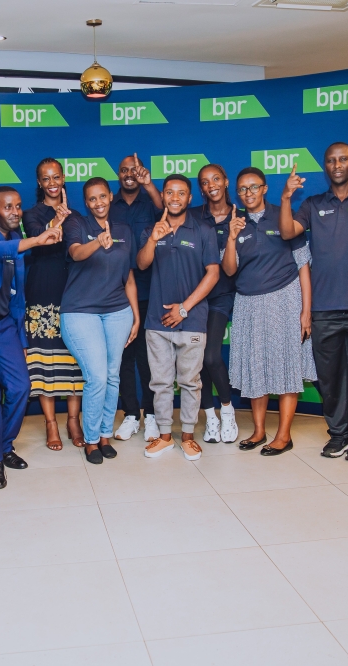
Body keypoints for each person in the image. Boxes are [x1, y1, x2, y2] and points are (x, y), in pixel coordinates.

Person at [278, 144, 348, 463]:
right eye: (331, 161)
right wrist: (286, 197)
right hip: (324, 308)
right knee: (328, 376)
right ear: (325, 167)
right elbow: (288, 231)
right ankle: (339, 434)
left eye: (343, 159)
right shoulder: (314, 204)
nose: (337, 164)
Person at [0, 186, 63, 489]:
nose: (15, 212)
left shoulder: (15, 239)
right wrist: (34, 239)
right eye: (7, 206)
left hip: (6, 327)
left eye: (18, 206)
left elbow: (18, 297)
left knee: (22, 387)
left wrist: (21, 342)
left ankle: (3, 445)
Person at [223, 167, 316, 456]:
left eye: (254, 187)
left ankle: (284, 435)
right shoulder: (235, 224)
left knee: (287, 367)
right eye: (242, 189)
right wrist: (230, 237)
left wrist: (306, 311)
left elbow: (303, 265)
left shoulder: (283, 215)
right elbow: (228, 270)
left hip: (285, 300)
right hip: (248, 302)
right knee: (254, 369)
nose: (248, 193)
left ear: (265, 189)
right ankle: (260, 431)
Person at [137, 175, 219, 461]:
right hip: (157, 323)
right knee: (159, 382)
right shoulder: (153, 228)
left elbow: (214, 273)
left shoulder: (204, 230)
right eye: (169, 192)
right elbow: (142, 264)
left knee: (189, 381)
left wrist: (183, 308)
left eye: (181, 193)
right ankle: (163, 436)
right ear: (163, 195)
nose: (174, 197)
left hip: (192, 319)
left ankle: (187, 436)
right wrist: (153, 239)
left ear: (189, 198)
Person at [61, 177, 140, 464]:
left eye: (102, 196)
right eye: (92, 199)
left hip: (118, 311)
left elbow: (129, 276)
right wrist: (96, 241)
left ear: (110, 196)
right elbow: (76, 252)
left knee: (113, 375)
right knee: (97, 377)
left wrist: (135, 315)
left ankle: (105, 434)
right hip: (80, 312)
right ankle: (91, 439)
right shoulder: (76, 224)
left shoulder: (124, 230)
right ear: (86, 202)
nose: (98, 202)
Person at [23, 158, 84, 450]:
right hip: (41, 292)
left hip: (72, 295)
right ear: (39, 183)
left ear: (63, 178)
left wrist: (67, 217)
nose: (52, 183)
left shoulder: (77, 216)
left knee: (74, 361)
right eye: (45, 178)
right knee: (45, 363)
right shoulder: (31, 214)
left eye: (56, 177)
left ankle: (73, 419)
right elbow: (38, 238)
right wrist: (57, 219)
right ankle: (50, 423)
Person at [110, 154, 164, 443]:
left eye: (134, 170)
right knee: (123, 357)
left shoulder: (150, 202)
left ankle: (152, 415)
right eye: (123, 170)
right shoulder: (110, 204)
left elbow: (167, 210)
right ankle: (131, 414)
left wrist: (150, 185)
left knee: (149, 357)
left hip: (149, 290)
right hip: (116, 293)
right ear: (118, 175)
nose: (129, 174)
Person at [193, 164, 240, 444]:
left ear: (225, 182)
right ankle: (210, 417)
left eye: (216, 179)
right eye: (205, 182)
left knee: (211, 356)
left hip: (223, 295)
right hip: (196, 297)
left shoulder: (239, 216)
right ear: (200, 189)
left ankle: (227, 410)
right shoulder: (192, 217)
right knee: (198, 362)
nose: (211, 185)